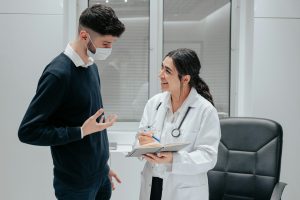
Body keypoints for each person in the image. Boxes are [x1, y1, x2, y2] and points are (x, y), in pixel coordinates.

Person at [18, 4, 125, 200]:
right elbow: (28, 131)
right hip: (75, 186)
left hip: (101, 177)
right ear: (85, 36)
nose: (109, 49)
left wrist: (103, 167)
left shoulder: (91, 67)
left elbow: (93, 126)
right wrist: (80, 131)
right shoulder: (58, 74)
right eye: (106, 43)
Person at [136, 48, 221, 200]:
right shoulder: (154, 103)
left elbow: (208, 156)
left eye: (167, 71)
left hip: (183, 189)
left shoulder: (205, 111)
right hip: (152, 184)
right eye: (162, 67)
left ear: (185, 79)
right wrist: (141, 143)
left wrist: (173, 159)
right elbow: (139, 137)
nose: (160, 75)